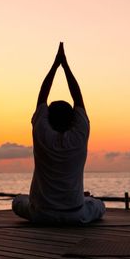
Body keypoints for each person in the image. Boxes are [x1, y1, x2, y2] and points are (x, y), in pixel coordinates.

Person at [12, 43, 105, 225]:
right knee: (99, 204)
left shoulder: (42, 135)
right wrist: (66, 66)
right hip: (75, 214)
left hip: (42, 214)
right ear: (73, 119)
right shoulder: (79, 136)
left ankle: (83, 199)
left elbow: (42, 96)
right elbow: (78, 97)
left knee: (17, 201)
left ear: (47, 118)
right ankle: (85, 199)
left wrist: (55, 65)